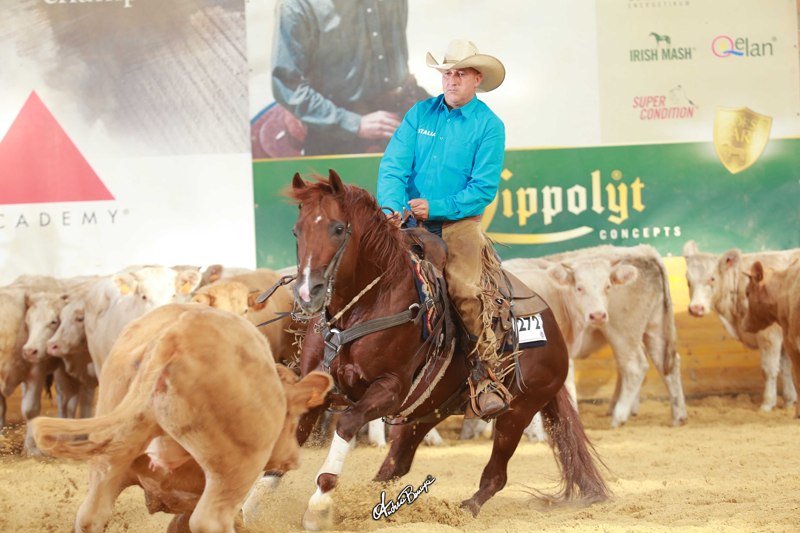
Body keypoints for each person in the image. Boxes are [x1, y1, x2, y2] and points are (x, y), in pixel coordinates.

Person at [377, 39, 509, 419]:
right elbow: (393, 168)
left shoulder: (489, 126)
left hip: (459, 225)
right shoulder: (420, 114)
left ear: (476, 79)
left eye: (460, 74)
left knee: (466, 289)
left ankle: (487, 376)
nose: (451, 80)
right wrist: (390, 208)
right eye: (447, 73)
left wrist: (436, 206)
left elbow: (481, 191)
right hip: (409, 221)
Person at [258, 0, 430, 157]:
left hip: (401, 107)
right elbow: (288, 85)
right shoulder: (296, 5)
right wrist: (353, 124)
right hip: (337, 126)